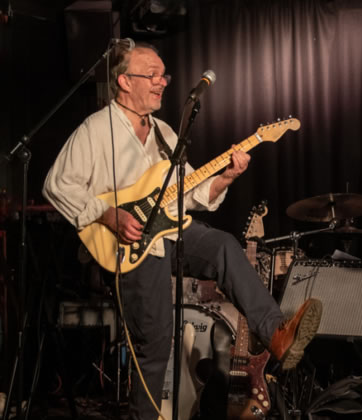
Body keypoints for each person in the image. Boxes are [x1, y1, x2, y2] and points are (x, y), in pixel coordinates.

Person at [42, 42, 322, 420]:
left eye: (164, 76)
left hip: (169, 232)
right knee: (155, 344)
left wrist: (225, 177)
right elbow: (57, 186)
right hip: (129, 244)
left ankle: (276, 335)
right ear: (124, 81)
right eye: (152, 75)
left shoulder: (163, 133)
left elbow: (192, 194)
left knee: (223, 245)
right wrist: (109, 215)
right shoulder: (96, 130)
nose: (162, 83)